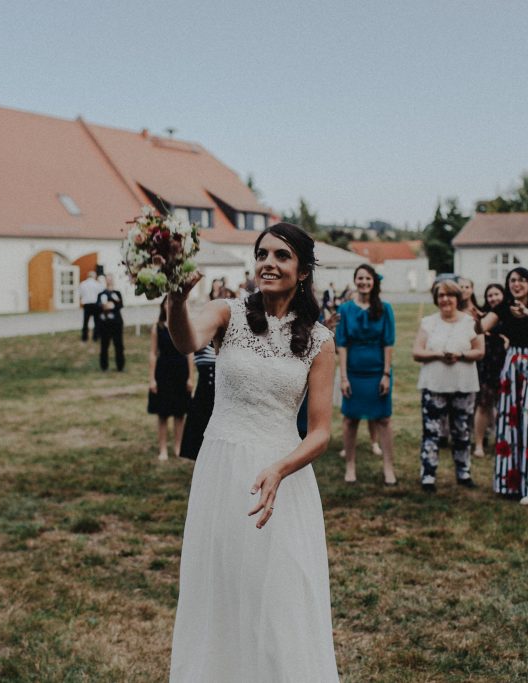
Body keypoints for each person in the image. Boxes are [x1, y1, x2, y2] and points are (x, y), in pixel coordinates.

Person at [166, 222, 339, 681]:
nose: (269, 263)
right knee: (220, 585)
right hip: (222, 467)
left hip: (282, 473)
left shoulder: (320, 341)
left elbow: (321, 432)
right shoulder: (228, 314)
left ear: (302, 270)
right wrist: (178, 299)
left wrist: (281, 468)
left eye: (282, 255)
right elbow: (185, 340)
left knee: (279, 591)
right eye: (262, 253)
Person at [478, 267, 528, 505]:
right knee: (510, 421)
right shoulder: (504, 307)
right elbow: (481, 327)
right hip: (513, 365)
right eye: (512, 280)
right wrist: (474, 318)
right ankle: (510, 482)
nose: (516, 284)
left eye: (521, 280)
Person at [412, 280, 484, 492]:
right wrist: (438, 354)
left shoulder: (470, 322)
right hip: (434, 385)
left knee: (462, 431)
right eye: (441, 295)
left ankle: (464, 472)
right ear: (436, 300)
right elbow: (417, 351)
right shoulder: (428, 322)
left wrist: (461, 355)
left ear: (457, 298)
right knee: (431, 432)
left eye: (449, 295)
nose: (445, 299)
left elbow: (480, 351)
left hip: (464, 385)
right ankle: (428, 475)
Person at [336, 264, 397, 486]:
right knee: (350, 419)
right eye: (360, 278)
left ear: (373, 282)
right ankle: (350, 465)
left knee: (384, 419)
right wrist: (343, 377)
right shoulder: (345, 310)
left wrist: (386, 374)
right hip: (353, 371)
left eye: (367, 279)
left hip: (377, 371)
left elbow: (388, 342)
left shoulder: (385, 308)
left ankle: (389, 467)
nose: (363, 282)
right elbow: (341, 344)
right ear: (355, 281)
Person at [148, 300, 192, 461]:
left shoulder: (183, 326)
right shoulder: (157, 327)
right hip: (163, 372)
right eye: (167, 303)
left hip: (181, 371)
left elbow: (189, 352)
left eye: (173, 303)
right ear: (162, 307)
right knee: (163, 413)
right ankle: (162, 449)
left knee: (180, 413)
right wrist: (152, 379)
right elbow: (153, 353)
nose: (169, 306)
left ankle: (178, 447)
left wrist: (190, 377)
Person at [473, 283, 507, 458]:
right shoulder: (484, 316)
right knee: (484, 405)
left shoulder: (510, 315)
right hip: (488, 366)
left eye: (497, 294)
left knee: (505, 407)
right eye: (490, 295)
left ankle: (501, 442)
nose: (493, 298)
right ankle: (478, 444)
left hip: (507, 365)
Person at [96, 275, 125, 371]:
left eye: (111, 279)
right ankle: (104, 366)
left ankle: (120, 366)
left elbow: (120, 305)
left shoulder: (117, 293)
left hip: (116, 323)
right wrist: (104, 306)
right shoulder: (101, 294)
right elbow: (98, 306)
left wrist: (112, 305)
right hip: (105, 323)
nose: (109, 281)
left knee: (119, 345)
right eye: (108, 279)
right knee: (104, 345)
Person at [79, 270, 103, 342]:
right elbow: (101, 293)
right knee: (96, 322)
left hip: (86, 305)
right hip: (95, 304)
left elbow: (80, 294)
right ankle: (95, 337)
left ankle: (84, 337)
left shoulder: (82, 284)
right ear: (94, 276)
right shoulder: (97, 284)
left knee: (85, 322)